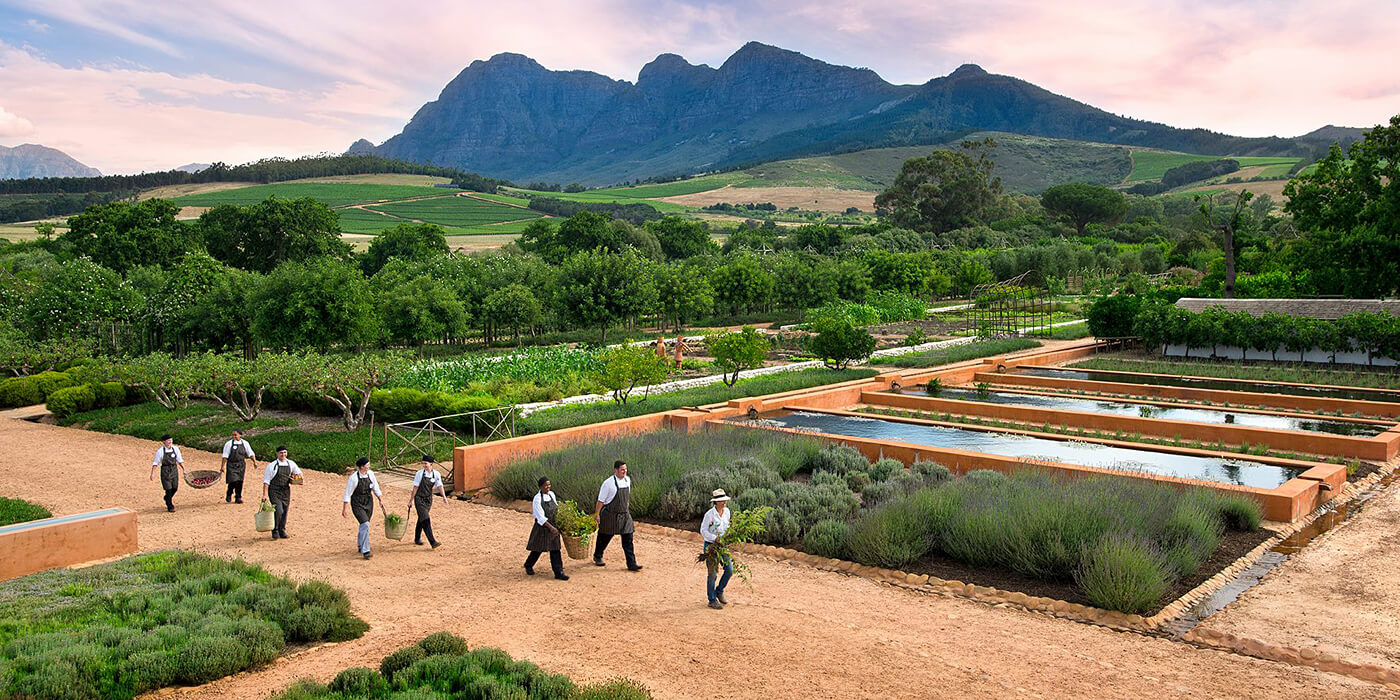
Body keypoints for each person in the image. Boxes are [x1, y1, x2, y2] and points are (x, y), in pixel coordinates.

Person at [593, 460, 642, 571]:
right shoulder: (608, 483)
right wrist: (597, 514)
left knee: (628, 539)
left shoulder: (627, 480)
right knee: (604, 537)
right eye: (622, 470)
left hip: (625, 515)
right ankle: (598, 556)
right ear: (616, 470)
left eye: (625, 469)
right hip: (610, 515)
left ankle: (631, 564)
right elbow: (600, 501)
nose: (624, 471)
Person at [342, 457, 387, 559]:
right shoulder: (353, 478)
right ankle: (366, 550)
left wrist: (380, 500)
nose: (369, 466)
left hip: (368, 502)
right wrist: (345, 509)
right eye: (367, 465)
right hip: (357, 503)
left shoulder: (370, 474)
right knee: (365, 524)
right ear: (362, 467)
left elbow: (375, 487)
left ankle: (360, 545)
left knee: (364, 525)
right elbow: (347, 494)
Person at [524, 476, 568, 580]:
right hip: (542, 527)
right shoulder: (537, 499)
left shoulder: (552, 494)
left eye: (549, 485)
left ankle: (558, 572)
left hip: (553, 526)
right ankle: (528, 565)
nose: (548, 487)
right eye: (545, 486)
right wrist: (551, 528)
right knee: (538, 548)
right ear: (540, 487)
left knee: (555, 549)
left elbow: (556, 508)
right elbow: (540, 517)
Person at [701, 489, 734, 610]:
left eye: (724, 500)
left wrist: (729, 536)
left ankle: (719, 591)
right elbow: (703, 530)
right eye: (721, 501)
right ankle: (712, 600)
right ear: (716, 502)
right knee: (712, 574)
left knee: (729, 569)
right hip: (711, 546)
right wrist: (715, 538)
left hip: (723, 546)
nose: (724, 502)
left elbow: (727, 526)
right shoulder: (709, 515)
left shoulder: (727, 512)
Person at [261, 446, 302, 540]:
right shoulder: (272, 466)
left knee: (285, 510)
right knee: (278, 510)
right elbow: (266, 481)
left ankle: (282, 530)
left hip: (286, 490)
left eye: (284, 452)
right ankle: (275, 530)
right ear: (277, 454)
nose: (283, 454)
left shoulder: (291, 463)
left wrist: (297, 479)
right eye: (281, 453)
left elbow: (299, 474)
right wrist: (265, 494)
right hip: (274, 490)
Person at [408, 455, 446, 548]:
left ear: (431, 464)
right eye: (423, 463)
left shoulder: (436, 474)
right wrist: (411, 500)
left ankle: (417, 538)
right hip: (419, 499)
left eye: (426, 463)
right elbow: (415, 487)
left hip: (428, 499)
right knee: (426, 519)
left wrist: (444, 497)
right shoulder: (419, 474)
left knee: (421, 518)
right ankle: (432, 542)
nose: (424, 465)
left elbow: (440, 486)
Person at [148, 434, 185, 512]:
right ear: (164, 442)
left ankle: (167, 498)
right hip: (165, 470)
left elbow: (179, 460)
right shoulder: (160, 451)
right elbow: (156, 462)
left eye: (171, 440)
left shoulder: (176, 449)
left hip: (174, 469)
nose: (170, 441)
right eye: (168, 440)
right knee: (168, 488)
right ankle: (170, 505)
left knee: (175, 487)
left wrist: (184, 469)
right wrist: (152, 473)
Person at [220, 428, 257, 504]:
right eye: (233, 435)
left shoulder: (245, 443)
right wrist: (222, 466)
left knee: (240, 481)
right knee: (233, 480)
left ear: (240, 435)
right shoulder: (228, 444)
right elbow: (225, 456)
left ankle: (238, 497)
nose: (234, 436)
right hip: (231, 464)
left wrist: (254, 462)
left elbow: (250, 453)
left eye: (235, 435)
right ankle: (229, 493)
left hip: (241, 465)